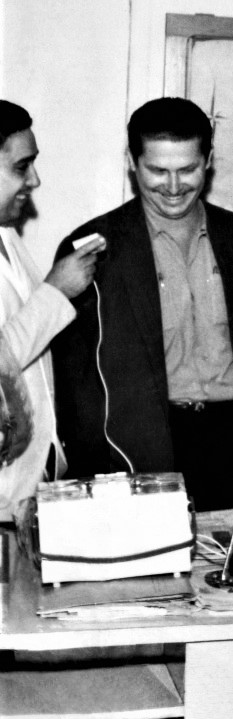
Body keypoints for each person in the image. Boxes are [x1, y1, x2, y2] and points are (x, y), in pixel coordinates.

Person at [53, 98, 233, 512]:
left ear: (209, 161)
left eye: (187, 169)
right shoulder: (93, 248)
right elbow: (76, 390)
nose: (173, 185)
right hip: (139, 449)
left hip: (225, 441)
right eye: (157, 171)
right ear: (132, 163)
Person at [0, 101, 101, 521]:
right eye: (21, 168)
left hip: (31, 489)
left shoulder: (7, 237)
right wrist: (56, 290)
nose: (35, 180)